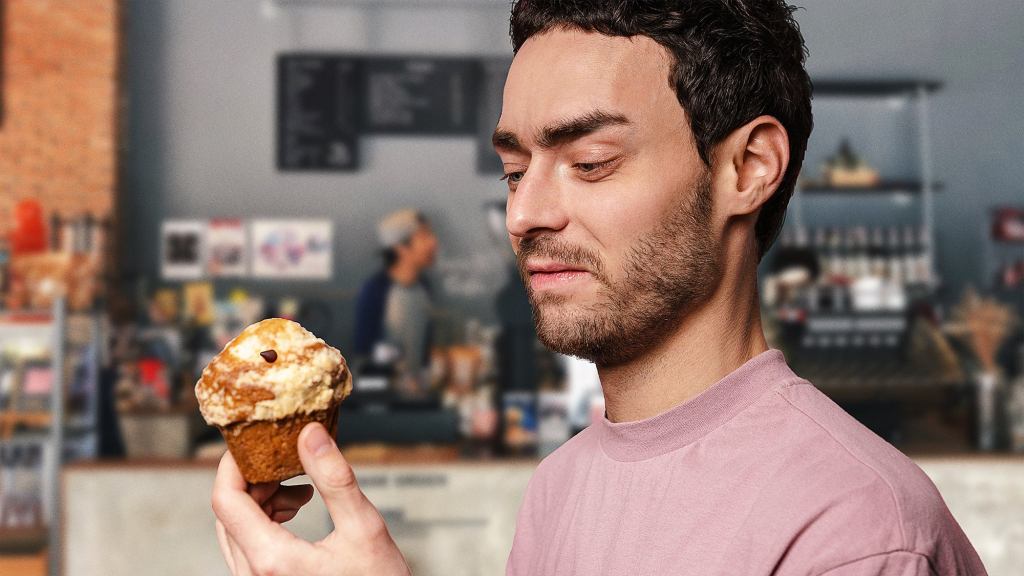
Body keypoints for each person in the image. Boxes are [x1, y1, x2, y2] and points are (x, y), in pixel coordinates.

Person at [211, 1, 987, 574]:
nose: (523, 213)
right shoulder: (562, 485)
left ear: (747, 170)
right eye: (514, 171)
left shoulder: (852, 531)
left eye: (590, 162)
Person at [353, 209, 438, 390]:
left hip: (417, 394)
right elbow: (364, 352)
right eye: (424, 236)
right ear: (401, 247)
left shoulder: (424, 288)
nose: (433, 242)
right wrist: (396, 376)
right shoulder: (375, 290)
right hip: (380, 396)